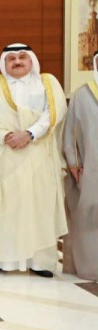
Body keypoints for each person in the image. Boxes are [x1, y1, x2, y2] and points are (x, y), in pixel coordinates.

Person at [0, 44, 67, 276]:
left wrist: (29, 134)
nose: (17, 62)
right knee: (1, 208)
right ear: (4, 63)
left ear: (31, 60)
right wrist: (6, 136)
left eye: (22, 57)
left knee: (39, 208)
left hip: (37, 156)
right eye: (11, 58)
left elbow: (55, 112)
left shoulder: (47, 82)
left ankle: (41, 262)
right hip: (3, 156)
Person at [64, 54, 98, 279]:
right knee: (89, 216)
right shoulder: (83, 94)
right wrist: (73, 161)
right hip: (91, 167)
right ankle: (90, 267)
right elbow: (71, 131)